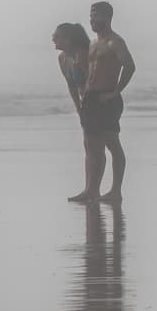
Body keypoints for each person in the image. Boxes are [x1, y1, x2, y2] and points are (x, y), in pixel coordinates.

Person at [70, 2, 135, 203]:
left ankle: (116, 191)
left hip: (107, 99)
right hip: (91, 99)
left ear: (107, 17)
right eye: (90, 16)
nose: (91, 20)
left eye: (95, 16)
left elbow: (130, 66)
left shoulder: (115, 42)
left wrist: (115, 92)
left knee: (112, 143)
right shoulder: (92, 43)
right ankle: (91, 190)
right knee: (91, 146)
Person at [53, 22, 91, 195]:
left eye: (57, 36)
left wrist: (90, 105)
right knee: (89, 146)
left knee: (107, 145)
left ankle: (100, 189)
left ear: (68, 39)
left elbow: (93, 80)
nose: (53, 39)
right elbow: (71, 85)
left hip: (97, 101)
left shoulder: (83, 55)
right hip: (86, 103)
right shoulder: (62, 58)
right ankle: (89, 189)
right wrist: (79, 109)